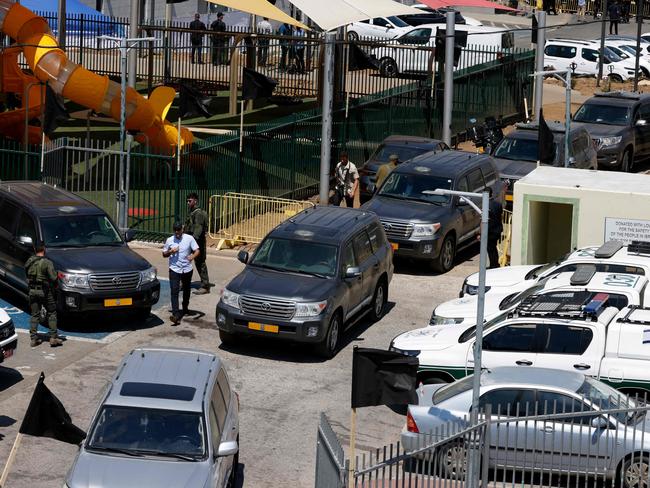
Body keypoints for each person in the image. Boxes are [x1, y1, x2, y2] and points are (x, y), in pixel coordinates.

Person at [26, 242, 63, 347]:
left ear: (34, 249)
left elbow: (26, 273)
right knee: (51, 312)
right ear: (44, 250)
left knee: (35, 314)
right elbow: (53, 278)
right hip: (45, 292)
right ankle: (53, 338)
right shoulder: (47, 262)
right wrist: (57, 274)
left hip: (32, 291)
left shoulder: (29, 261)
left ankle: (33, 339)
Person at [162, 221, 200, 325]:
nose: (177, 232)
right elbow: (164, 254)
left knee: (186, 290)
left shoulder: (189, 238)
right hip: (174, 269)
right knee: (174, 291)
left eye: (178, 230)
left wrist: (192, 256)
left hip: (187, 269)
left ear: (182, 229)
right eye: (175, 230)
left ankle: (185, 307)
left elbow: (197, 250)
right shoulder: (170, 240)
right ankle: (176, 315)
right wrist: (170, 251)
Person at [184, 192, 210, 294]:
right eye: (187, 201)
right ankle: (184, 281)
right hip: (190, 240)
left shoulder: (198, 213)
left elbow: (198, 230)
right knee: (184, 259)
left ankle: (205, 286)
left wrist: (192, 243)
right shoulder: (192, 211)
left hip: (197, 241)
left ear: (195, 201)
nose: (188, 203)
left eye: (189, 201)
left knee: (200, 263)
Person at [487, 187, 504, 269]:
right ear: (491, 194)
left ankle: (494, 265)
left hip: (490, 231)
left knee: (491, 249)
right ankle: (494, 264)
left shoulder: (486, 205)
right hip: (497, 230)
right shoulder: (498, 204)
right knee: (493, 248)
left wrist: (480, 233)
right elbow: (500, 215)